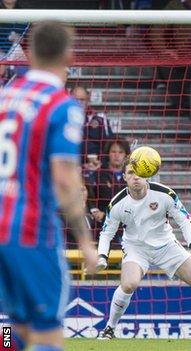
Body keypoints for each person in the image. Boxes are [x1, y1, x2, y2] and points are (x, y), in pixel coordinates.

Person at [0, 21, 98, 351]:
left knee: (13, 327)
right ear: (68, 54)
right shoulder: (61, 106)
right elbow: (64, 178)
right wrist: (85, 241)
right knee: (48, 334)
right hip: (32, 233)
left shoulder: (6, 95)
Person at [95, 160, 191, 340]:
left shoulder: (165, 194)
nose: (135, 177)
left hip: (166, 245)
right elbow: (106, 234)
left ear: (147, 174)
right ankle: (109, 329)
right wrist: (102, 257)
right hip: (136, 248)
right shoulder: (117, 203)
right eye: (130, 173)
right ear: (124, 177)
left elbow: (184, 219)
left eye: (139, 173)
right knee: (129, 284)